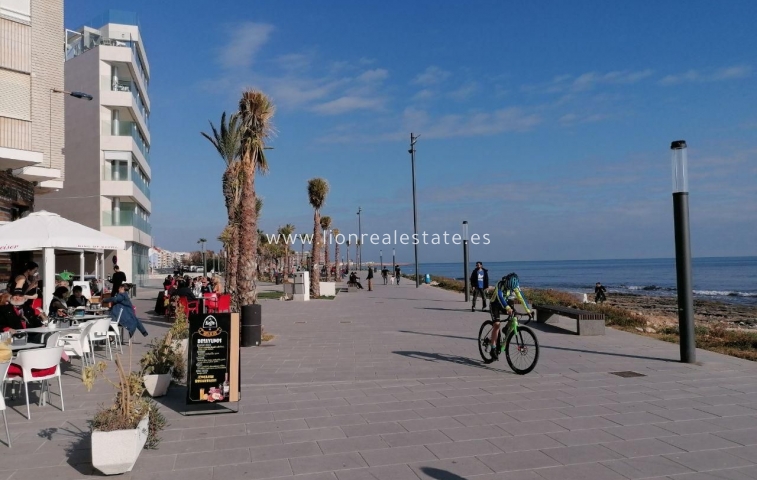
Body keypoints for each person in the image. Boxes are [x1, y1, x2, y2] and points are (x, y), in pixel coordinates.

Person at [487, 273, 533, 361]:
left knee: (514, 315)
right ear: (506, 282)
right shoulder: (500, 284)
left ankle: (506, 328)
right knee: (496, 325)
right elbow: (500, 297)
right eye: (509, 287)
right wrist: (507, 308)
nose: (510, 289)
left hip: (505, 303)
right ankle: (493, 348)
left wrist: (528, 311)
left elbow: (521, 297)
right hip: (495, 304)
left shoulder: (515, 286)